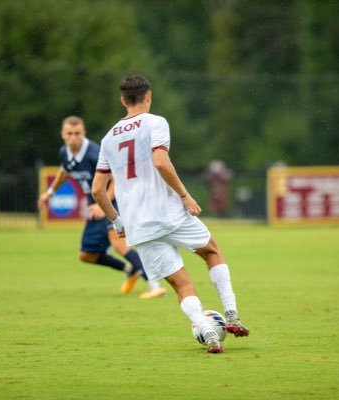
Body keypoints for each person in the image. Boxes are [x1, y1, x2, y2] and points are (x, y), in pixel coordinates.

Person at [92, 75, 250, 353]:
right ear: (148, 96)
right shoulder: (156, 122)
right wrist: (185, 195)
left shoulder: (107, 139)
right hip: (169, 213)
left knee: (181, 285)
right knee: (211, 252)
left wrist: (117, 222)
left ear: (122, 100)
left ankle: (208, 334)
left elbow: (97, 190)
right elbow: (161, 162)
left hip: (138, 224)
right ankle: (232, 313)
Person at [38, 115, 167, 299]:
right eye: (70, 134)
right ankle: (130, 270)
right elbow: (65, 171)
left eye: (77, 133)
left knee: (118, 244)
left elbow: (116, 179)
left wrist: (103, 204)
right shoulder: (64, 153)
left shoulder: (93, 154)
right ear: (62, 135)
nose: (74, 137)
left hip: (113, 202)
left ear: (84, 133)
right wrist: (49, 193)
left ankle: (154, 285)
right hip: (96, 207)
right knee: (86, 255)